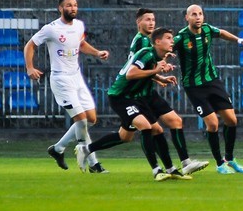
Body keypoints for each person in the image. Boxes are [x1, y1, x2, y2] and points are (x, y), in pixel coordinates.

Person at [76, 28, 188, 181]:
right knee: (146, 127)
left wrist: (161, 78)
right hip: (120, 97)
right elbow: (131, 73)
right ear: (157, 41)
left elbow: (147, 72)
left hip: (134, 98)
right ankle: (156, 170)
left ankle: (171, 169)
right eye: (168, 38)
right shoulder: (146, 53)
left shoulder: (155, 56)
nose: (172, 41)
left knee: (129, 135)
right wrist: (155, 70)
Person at [24, 0, 110, 173]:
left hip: (77, 77)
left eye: (75, 5)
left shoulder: (79, 25)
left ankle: (58, 148)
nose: (73, 8)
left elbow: (81, 44)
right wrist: (30, 68)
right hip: (61, 79)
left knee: (91, 119)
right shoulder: (51, 28)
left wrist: (97, 53)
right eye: (69, 5)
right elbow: (30, 45)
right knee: (81, 120)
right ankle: (93, 162)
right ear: (60, 8)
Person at [174, 4, 243, 174]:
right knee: (212, 123)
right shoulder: (181, 37)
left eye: (200, 14)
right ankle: (219, 164)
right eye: (194, 14)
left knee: (232, 120)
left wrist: (239, 40)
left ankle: (230, 158)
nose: (198, 17)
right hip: (194, 87)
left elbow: (221, 33)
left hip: (213, 82)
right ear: (187, 18)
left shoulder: (207, 30)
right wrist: (164, 59)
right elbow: (168, 49)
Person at [127, 8, 209, 175]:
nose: (151, 22)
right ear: (138, 22)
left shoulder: (144, 40)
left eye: (153, 19)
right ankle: (161, 169)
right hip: (138, 94)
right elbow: (136, 70)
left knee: (174, 121)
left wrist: (160, 75)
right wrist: (160, 68)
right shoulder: (142, 42)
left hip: (147, 91)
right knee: (144, 131)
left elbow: (146, 68)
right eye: (147, 19)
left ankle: (182, 164)